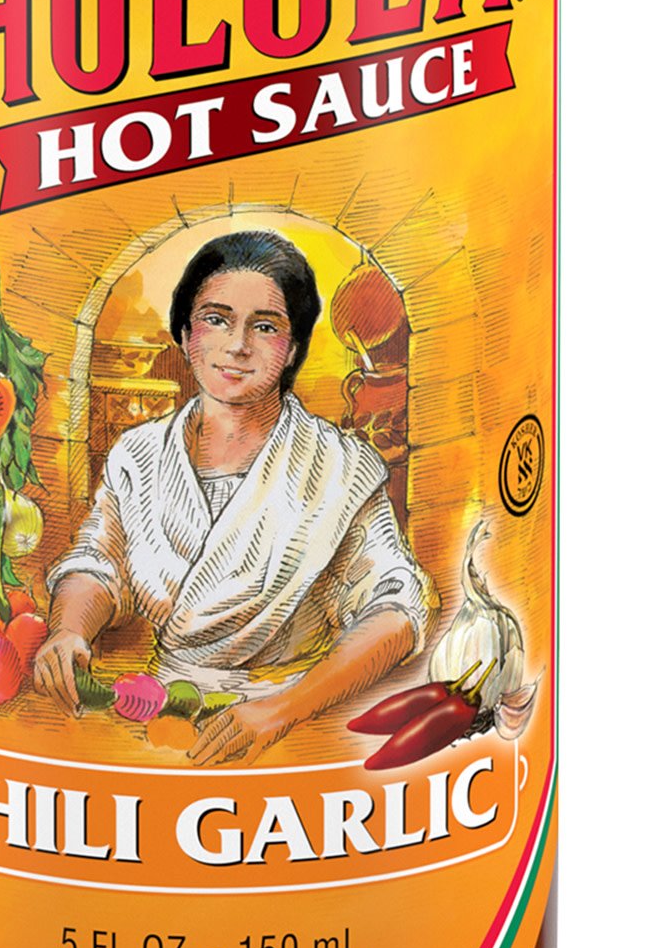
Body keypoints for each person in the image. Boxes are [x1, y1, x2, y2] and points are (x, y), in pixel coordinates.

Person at [30, 230, 427, 764]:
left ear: (292, 348)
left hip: (294, 729)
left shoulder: (338, 467)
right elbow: (99, 563)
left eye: (264, 326)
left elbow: (396, 611)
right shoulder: (139, 456)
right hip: (158, 715)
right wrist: (68, 631)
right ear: (186, 333)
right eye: (216, 319)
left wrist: (281, 711)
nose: (237, 346)